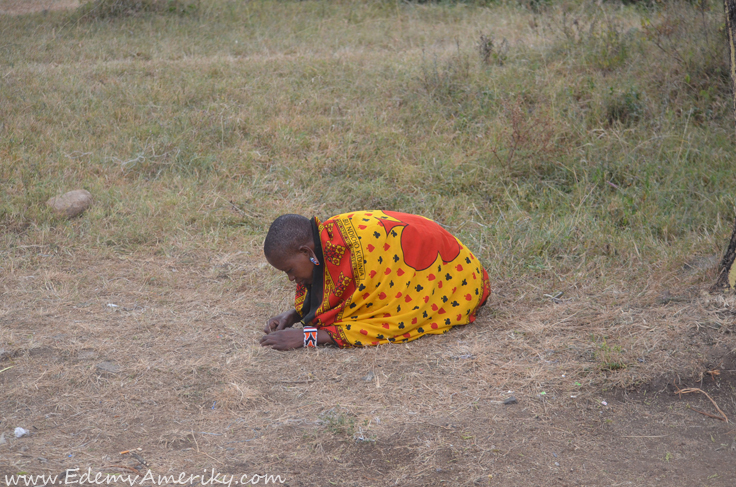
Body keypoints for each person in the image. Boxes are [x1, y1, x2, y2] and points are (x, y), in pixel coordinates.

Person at [260, 210, 491, 350]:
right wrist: (296, 313)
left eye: (289, 270)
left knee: (407, 314)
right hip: (432, 244)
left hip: (461, 278)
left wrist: (307, 337)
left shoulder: (359, 252)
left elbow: (382, 325)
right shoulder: (326, 240)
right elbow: (343, 294)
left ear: (307, 253)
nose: (291, 279)